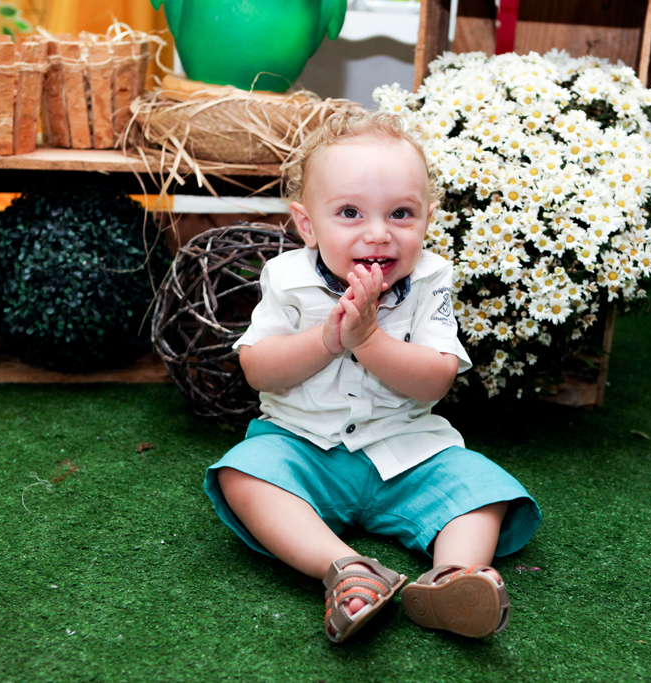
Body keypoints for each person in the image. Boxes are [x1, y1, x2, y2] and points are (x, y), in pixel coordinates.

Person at [204, 111, 541, 643]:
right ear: (308, 224)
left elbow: (433, 381)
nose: (379, 233)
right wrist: (328, 340)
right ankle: (345, 568)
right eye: (350, 213)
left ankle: (454, 579)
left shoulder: (431, 281)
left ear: (428, 220)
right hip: (301, 446)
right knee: (242, 475)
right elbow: (257, 369)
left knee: (484, 490)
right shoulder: (286, 279)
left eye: (401, 213)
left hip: (408, 451)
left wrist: (369, 341)